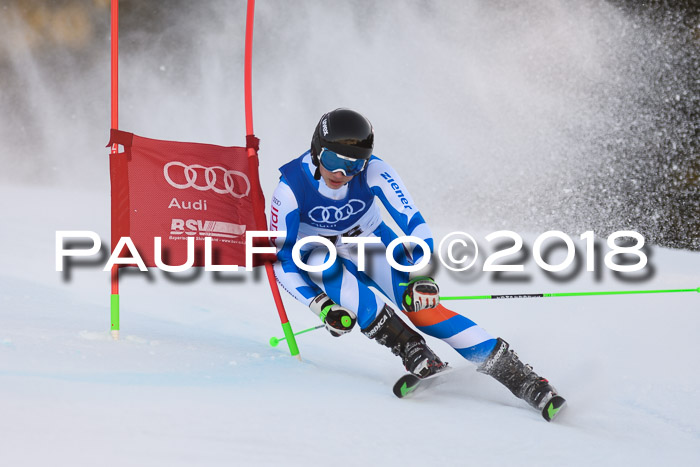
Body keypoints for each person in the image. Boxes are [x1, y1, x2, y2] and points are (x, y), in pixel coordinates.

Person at [269, 108, 562, 413]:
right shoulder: (290, 189)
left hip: (369, 243)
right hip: (319, 253)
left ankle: (523, 379)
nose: (341, 174)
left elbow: (414, 223)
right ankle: (412, 349)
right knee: (333, 275)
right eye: (332, 161)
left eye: (353, 166)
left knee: (424, 312)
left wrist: (421, 275)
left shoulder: (375, 171)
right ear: (317, 150)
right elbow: (281, 260)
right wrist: (321, 305)